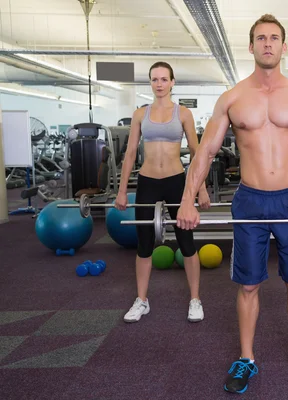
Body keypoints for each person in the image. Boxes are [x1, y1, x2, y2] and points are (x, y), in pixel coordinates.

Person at [176, 14, 288, 394]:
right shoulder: (232, 98)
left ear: (283, 46)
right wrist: (186, 201)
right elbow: (205, 152)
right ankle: (246, 359)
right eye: (260, 38)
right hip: (250, 200)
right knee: (247, 286)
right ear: (250, 46)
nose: (267, 43)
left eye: (274, 38)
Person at [116, 61, 211, 324]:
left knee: (186, 242)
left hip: (176, 181)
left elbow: (196, 152)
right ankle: (142, 300)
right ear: (150, 83)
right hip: (147, 180)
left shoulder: (183, 114)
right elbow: (131, 153)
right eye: (154, 79)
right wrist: (122, 191)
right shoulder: (139, 114)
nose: (159, 84)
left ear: (172, 82)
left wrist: (200, 189)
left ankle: (195, 299)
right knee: (144, 245)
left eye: (163, 79)